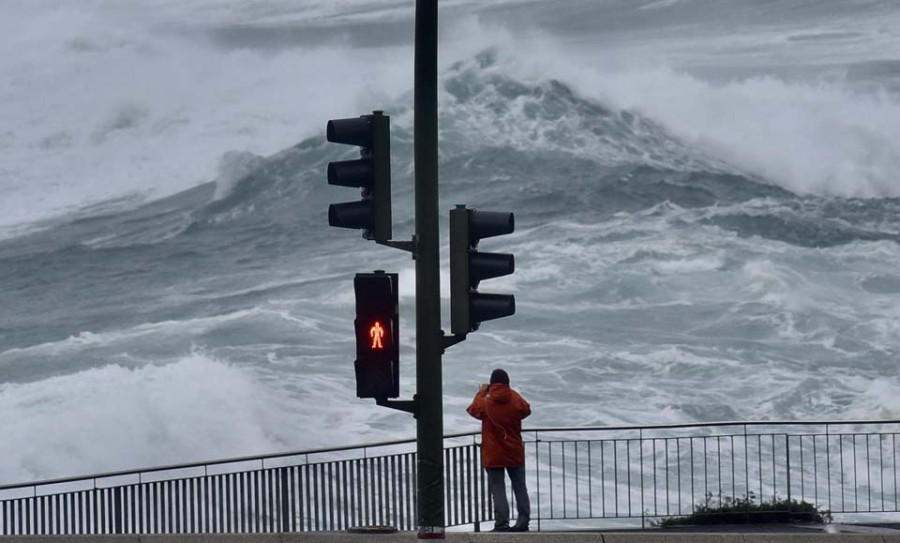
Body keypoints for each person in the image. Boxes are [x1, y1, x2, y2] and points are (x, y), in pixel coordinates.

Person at [466, 368, 532, 532]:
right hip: (514, 451)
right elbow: (526, 410)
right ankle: (523, 521)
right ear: (507, 383)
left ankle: (501, 523)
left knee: (498, 487)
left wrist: (481, 392)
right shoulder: (515, 398)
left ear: (492, 384)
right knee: (519, 486)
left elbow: (473, 409)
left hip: (493, 453)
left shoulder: (486, 402)